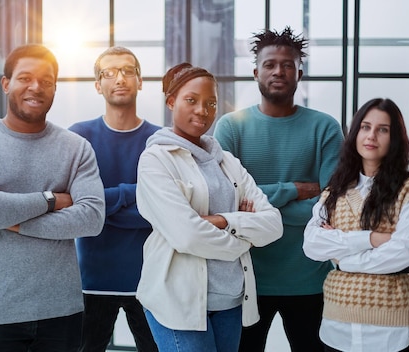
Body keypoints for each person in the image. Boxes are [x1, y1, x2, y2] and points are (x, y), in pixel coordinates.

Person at [0, 43, 105, 352]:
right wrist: (52, 200)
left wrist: (12, 220)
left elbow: (92, 218)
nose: (36, 87)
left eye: (46, 81)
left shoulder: (76, 148)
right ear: (6, 83)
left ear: (55, 89)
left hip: (62, 311)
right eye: (25, 78)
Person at [135, 62, 283, 352]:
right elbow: (186, 235)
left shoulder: (227, 161)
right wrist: (242, 240)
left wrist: (220, 220)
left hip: (230, 302)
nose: (202, 110)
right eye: (191, 100)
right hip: (177, 303)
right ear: (171, 102)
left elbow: (273, 224)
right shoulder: (156, 160)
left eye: (211, 102)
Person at [213, 27, 344, 351]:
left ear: (299, 72)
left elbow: (332, 205)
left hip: (309, 279)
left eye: (287, 65)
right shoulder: (230, 127)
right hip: (246, 278)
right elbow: (227, 199)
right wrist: (292, 190)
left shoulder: (324, 127)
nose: (278, 71)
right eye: (270, 64)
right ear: (256, 71)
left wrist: (257, 209)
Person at [303, 98, 409, 352]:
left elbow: (403, 252)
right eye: (365, 127)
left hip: (390, 326)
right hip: (337, 322)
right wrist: (372, 239)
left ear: (395, 138)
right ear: (355, 132)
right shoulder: (335, 190)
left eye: (383, 129)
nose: (371, 136)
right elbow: (312, 245)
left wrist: (344, 260)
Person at [68, 46, 159, 352]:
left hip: (149, 281)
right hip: (91, 280)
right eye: (109, 72)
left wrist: (101, 206)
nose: (120, 78)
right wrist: (134, 193)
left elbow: (160, 211)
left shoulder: (159, 141)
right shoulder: (79, 137)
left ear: (140, 81)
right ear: (98, 85)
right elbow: (78, 206)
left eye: (128, 70)